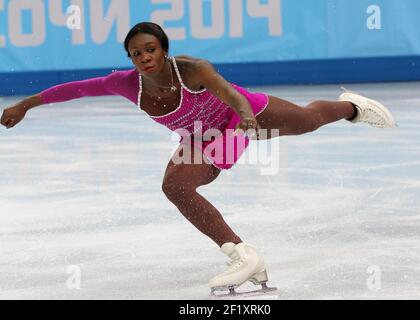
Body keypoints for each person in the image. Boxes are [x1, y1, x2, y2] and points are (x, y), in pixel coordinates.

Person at [0, 22, 396, 295]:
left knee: (308, 121)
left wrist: (244, 118)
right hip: (204, 138)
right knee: (175, 185)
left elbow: (230, 93)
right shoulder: (124, 84)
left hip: (243, 117)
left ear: (164, 49)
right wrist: (25, 105)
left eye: (150, 49)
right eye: (136, 53)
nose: (144, 57)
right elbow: (75, 90)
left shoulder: (193, 70)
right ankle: (241, 254)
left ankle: (351, 108)